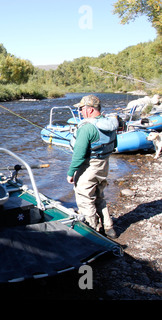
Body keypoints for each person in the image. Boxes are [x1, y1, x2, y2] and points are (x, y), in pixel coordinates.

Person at [67, 95, 118, 238]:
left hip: (89, 167)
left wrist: (71, 172)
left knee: (85, 198)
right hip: (104, 165)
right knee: (99, 196)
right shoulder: (111, 125)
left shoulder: (87, 127)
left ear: (89, 110)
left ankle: (93, 233)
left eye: (81, 109)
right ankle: (109, 228)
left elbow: (79, 154)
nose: (80, 112)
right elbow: (115, 145)